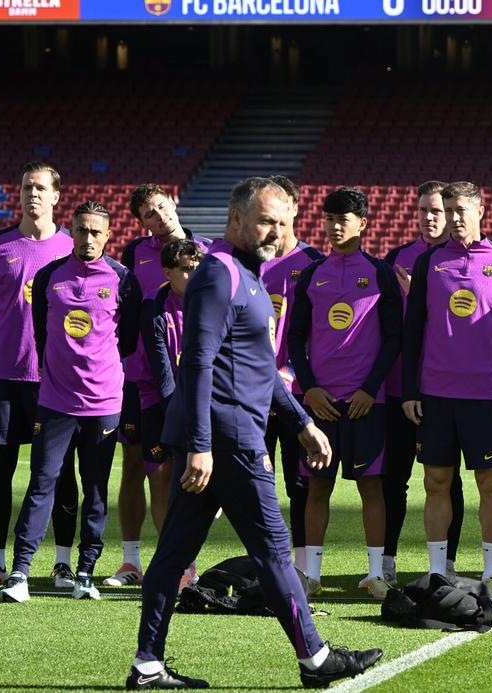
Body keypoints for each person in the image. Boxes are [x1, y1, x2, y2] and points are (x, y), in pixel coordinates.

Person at [128, 177, 380, 689]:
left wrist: (302, 423)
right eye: (267, 220)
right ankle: (315, 659)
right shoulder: (219, 274)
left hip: (228, 434)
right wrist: (200, 445)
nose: (276, 232)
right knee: (272, 549)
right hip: (226, 439)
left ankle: (147, 664)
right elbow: (196, 363)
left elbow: (260, 367)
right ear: (237, 219)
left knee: (175, 552)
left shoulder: (248, 276)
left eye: (285, 224)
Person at [0, 201, 140, 603]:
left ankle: (85, 573)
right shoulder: (48, 277)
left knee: (95, 490)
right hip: (56, 400)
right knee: (42, 485)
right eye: (81, 230)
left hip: (104, 403)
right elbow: (42, 334)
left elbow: (126, 340)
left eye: (96, 231)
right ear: (71, 231)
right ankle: (20, 573)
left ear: (108, 235)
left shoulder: (122, 279)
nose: (88, 238)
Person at [402, 181, 492, 600]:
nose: (454, 218)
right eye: (449, 210)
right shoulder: (430, 262)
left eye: (462, 210)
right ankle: (438, 573)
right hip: (437, 394)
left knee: (489, 484)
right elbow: (414, 328)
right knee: (436, 482)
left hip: (488, 396)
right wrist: (410, 389)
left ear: (479, 213)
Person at [0, 161, 79, 590]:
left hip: (55, 379)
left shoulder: (72, 248)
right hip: (5, 375)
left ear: (55, 196)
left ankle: (63, 563)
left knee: (60, 472)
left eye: (40, 188)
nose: (32, 194)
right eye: (26, 187)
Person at [287, 188, 401, 600]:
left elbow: (394, 338)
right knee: (317, 486)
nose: (335, 227)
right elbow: (295, 338)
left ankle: (375, 574)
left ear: (363, 224)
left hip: (366, 402)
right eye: (330, 219)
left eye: (344, 219)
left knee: (372, 486)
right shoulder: (312, 273)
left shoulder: (379, 272)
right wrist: (311, 389)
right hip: (320, 404)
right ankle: (311, 575)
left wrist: (370, 390)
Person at [106, 183, 211, 588]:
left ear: (174, 205)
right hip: (141, 380)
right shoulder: (134, 254)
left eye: (162, 206)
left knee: (181, 471)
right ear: (142, 222)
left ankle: (181, 563)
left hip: (191, 379)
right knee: (136, 466)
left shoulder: (206, 250)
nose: (159, 216)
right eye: (149, 213)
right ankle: (131, 561)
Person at [381, 180, 465, 585]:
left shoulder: (463, 259)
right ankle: (387, 562)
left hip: (447, 388)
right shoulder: (397, 258)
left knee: (449, 479)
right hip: (401, 388)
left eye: (439, 210)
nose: (432, 218)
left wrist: (424, 297)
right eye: (424, 211)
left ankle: (445, 564)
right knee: (393, 478)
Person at [125, 240, 205, 589]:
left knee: (199, 477)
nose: (193, 275)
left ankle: (185, 556)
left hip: (204, 401)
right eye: (186, 269)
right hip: (158, 399)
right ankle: (178, 561)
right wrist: (180, 415)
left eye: (196, 267)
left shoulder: (211, 303)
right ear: (168, 272)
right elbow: (162, 370)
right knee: (161, 478)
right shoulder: (154, 306)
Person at [259, 174, 323, 584]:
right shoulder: (249, 261)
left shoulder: (314, 263)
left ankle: (301, 568)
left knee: (300, 481)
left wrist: (295, 373)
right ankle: (263, 563)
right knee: (256, 483)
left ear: (295, 209)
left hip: (295, 394)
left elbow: (320, 335)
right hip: (252, 394)